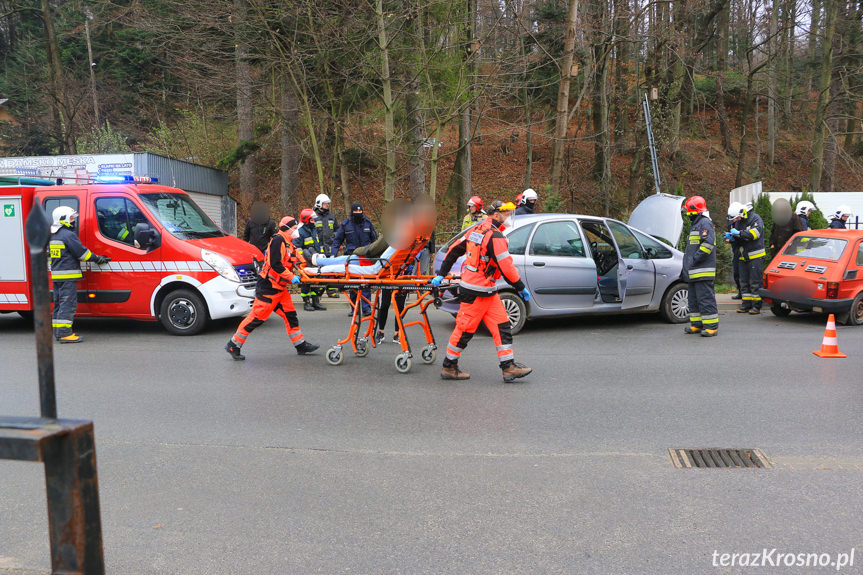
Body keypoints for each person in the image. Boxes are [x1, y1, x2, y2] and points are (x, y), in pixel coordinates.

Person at [433, 200, 532, 383]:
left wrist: (442, 273)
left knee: (502, 326)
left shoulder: (476, 230)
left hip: (487, 290)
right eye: (507, 213)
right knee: (464, 330)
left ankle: (508, 367)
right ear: (496, 215)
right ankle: (449, 366)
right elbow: (507, 268)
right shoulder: (496, 237)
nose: (509, 217)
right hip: (476, 291)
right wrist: (520, 287)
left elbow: (454, 250)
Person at [225, 216, 319, 360]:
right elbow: (276, 264)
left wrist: (310, 267)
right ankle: (233, 344)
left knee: (290, 315)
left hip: (280, 288)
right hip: (269, 287)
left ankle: (300, 345)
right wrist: (291, 277)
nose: (296, 232)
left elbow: (297, 259)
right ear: (287, 229)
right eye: (294, 229)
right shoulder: (278, 241)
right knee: (257, 318)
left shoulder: (289, 242)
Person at [49, 206, 110, 343]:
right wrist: (98, 258)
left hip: (57, 275)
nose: (73, 221)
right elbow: (82, 254)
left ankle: (58, 332)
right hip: (67, 276)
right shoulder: (68, 235)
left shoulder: (54, 235)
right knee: (68, 304)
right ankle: (65, 334)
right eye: (70, 218)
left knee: (59, 304)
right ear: (63, 219)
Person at [681, 196, 718, 337]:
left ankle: (711, 327)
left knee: (705, 300)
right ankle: (697, 324)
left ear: (694, 211)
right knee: (694, 300)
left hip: (702, 271)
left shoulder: (705, 223)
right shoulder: (696, 224)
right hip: (694, 271)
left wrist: (694, 260)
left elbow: (707, 245)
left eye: (688, 211)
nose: (687, 214)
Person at [332, 202, 377, 315]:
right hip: (352, 257)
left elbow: (375, 240)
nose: (358, 213)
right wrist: (333, 254)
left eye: (360, 211)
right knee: (352, 284)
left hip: (365, 257)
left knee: (365, 283)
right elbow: (337, 240)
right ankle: (354, 308)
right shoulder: (346, 224)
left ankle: (366, 308)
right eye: (356, 211)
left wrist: (376, 255)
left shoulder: (367, 223)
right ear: (352, 212)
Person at [726, 202, 765, 314]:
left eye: (736, 218)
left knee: (754, 282)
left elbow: (755, 234)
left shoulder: (755, 219)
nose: (735, 220)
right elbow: (739, 236)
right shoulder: (739, 221)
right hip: (742, 256)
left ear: (742, 213)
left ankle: (756, 306)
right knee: (743, 282)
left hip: (755, 256)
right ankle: (746, 304)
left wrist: (739, 233)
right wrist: (732, 237)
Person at [293, 208, 326, 312]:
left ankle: (316, 302)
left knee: (316, 282)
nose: (314, 222)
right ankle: (306, 302)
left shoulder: (312, 229)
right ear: (306, 220)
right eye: (312, 220)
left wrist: (320, 255)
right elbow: (297, 248)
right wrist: (304, 259)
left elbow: (316, 245)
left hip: (314, 260)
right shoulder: (299, 231)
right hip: (306, 262)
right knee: (306, 283)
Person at [313, 193, 340, 298]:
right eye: (325, 204)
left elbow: (337, 231)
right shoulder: (313, 216)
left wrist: (337, 244)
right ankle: (319, 290)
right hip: (318, 249)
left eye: (328, 204)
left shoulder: (331, 217)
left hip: (330, 248)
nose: (327, 205)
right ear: (319, 204)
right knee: (319, 270)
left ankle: (331, 290)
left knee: (331, 270)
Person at [725, 214, 742, 300]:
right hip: (736, 251)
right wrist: (730, 239)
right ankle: (740, 291)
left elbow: (742, 236)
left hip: (742, 251)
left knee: (742, 273)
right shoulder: (731, 224)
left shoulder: (741, 223)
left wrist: (736, 236)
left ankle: (744, 293)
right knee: (736, 273)